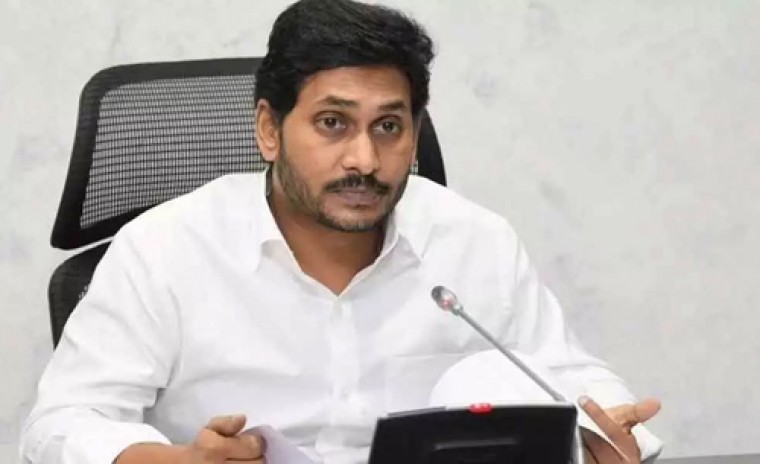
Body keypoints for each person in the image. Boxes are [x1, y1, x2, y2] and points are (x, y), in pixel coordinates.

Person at [21, 0, 662, 463]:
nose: (364, 159)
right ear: (269, 130)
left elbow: (567, 373)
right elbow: (61, 423)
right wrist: (169, 460)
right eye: (333, 123)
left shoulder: (475, 242)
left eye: (389, 127)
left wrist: (604, 430)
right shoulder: (165, 249)